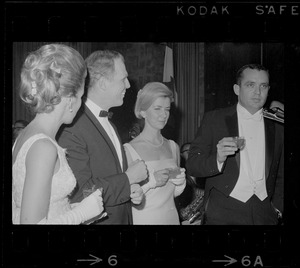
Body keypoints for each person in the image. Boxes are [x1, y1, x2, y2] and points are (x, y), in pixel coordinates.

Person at [12, 44, 104, 224]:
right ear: (70, 99)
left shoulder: (28, 135)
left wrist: (73, 208)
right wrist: (82, 213)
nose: (81, 104)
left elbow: (45, 206)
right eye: (81, 96)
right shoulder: (43, 146)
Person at [57, 50, 147, 225]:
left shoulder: (110, 123)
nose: (128, 85)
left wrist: (130, 188)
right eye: (123, 79)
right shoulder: (73, 127)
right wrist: (128, 179)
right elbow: (80, 192)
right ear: (104, 83)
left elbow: (110, 179)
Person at [186, 63, 284, 225]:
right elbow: (192, 165)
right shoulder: (214, 119)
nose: (257, 92)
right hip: (222, 211)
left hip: (265, 213)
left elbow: (281, 172)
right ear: (237, 89)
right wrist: (218, 158)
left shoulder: (278, 126)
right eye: (250, 85)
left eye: (263, 86)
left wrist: (278, 208)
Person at [123, 82, 186, 225]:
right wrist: (151, 182)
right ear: (143, 112)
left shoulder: (173, 147)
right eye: (157, 108)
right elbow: (125, 199)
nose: (164, 114)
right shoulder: (128, 150)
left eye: (167, 109)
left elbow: (171, 193)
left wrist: (180, 184)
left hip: (172, 218)